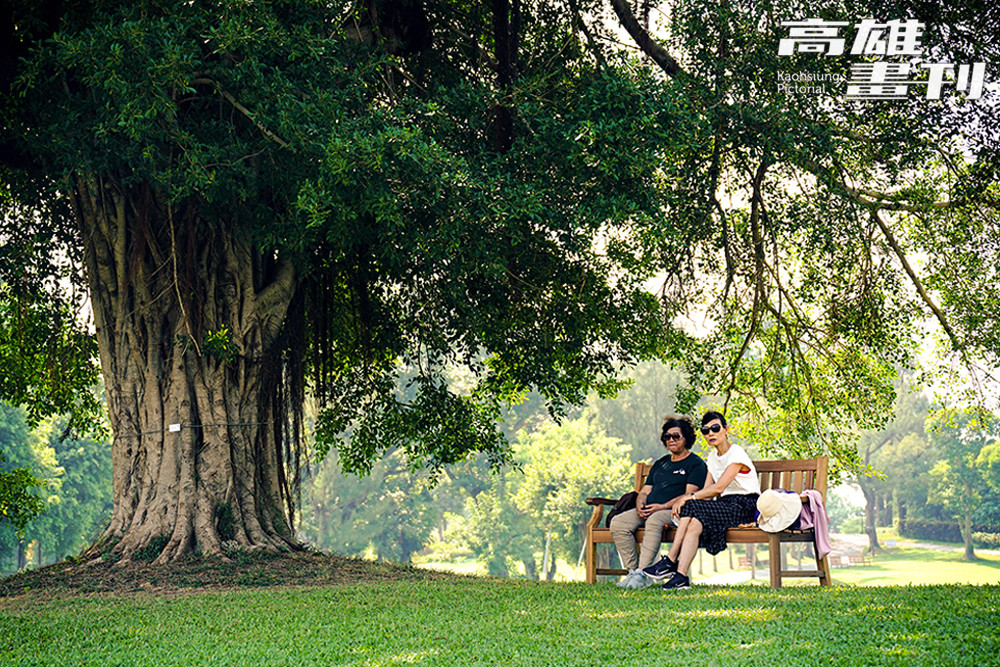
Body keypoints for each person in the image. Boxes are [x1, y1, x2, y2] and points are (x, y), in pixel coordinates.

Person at [642, 410, 760, 590]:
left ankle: (671, 559)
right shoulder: (712, 457)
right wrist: (690, 500)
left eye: (715, 428)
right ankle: (681, 577)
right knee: (694, 523)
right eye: (706, 430)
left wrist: (688, 498)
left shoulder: (736, 452)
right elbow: (708, 491)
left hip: (745, 506)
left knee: (691, 503)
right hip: (725, 506)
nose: (711, 433)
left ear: (726, 430)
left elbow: (719, 488)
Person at [611, 416, 708, 589]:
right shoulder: (661, 463)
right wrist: (640, 504)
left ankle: (643, 572)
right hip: (649, 509)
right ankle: (634, 572)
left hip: (676, 512)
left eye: (676, 436)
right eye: (667, 437)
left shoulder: (695, 464)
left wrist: (662, 507)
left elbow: (689, 495)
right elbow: (645, 491)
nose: (671, 440)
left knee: (654, 519)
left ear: (686, 438)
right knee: (618, 523)